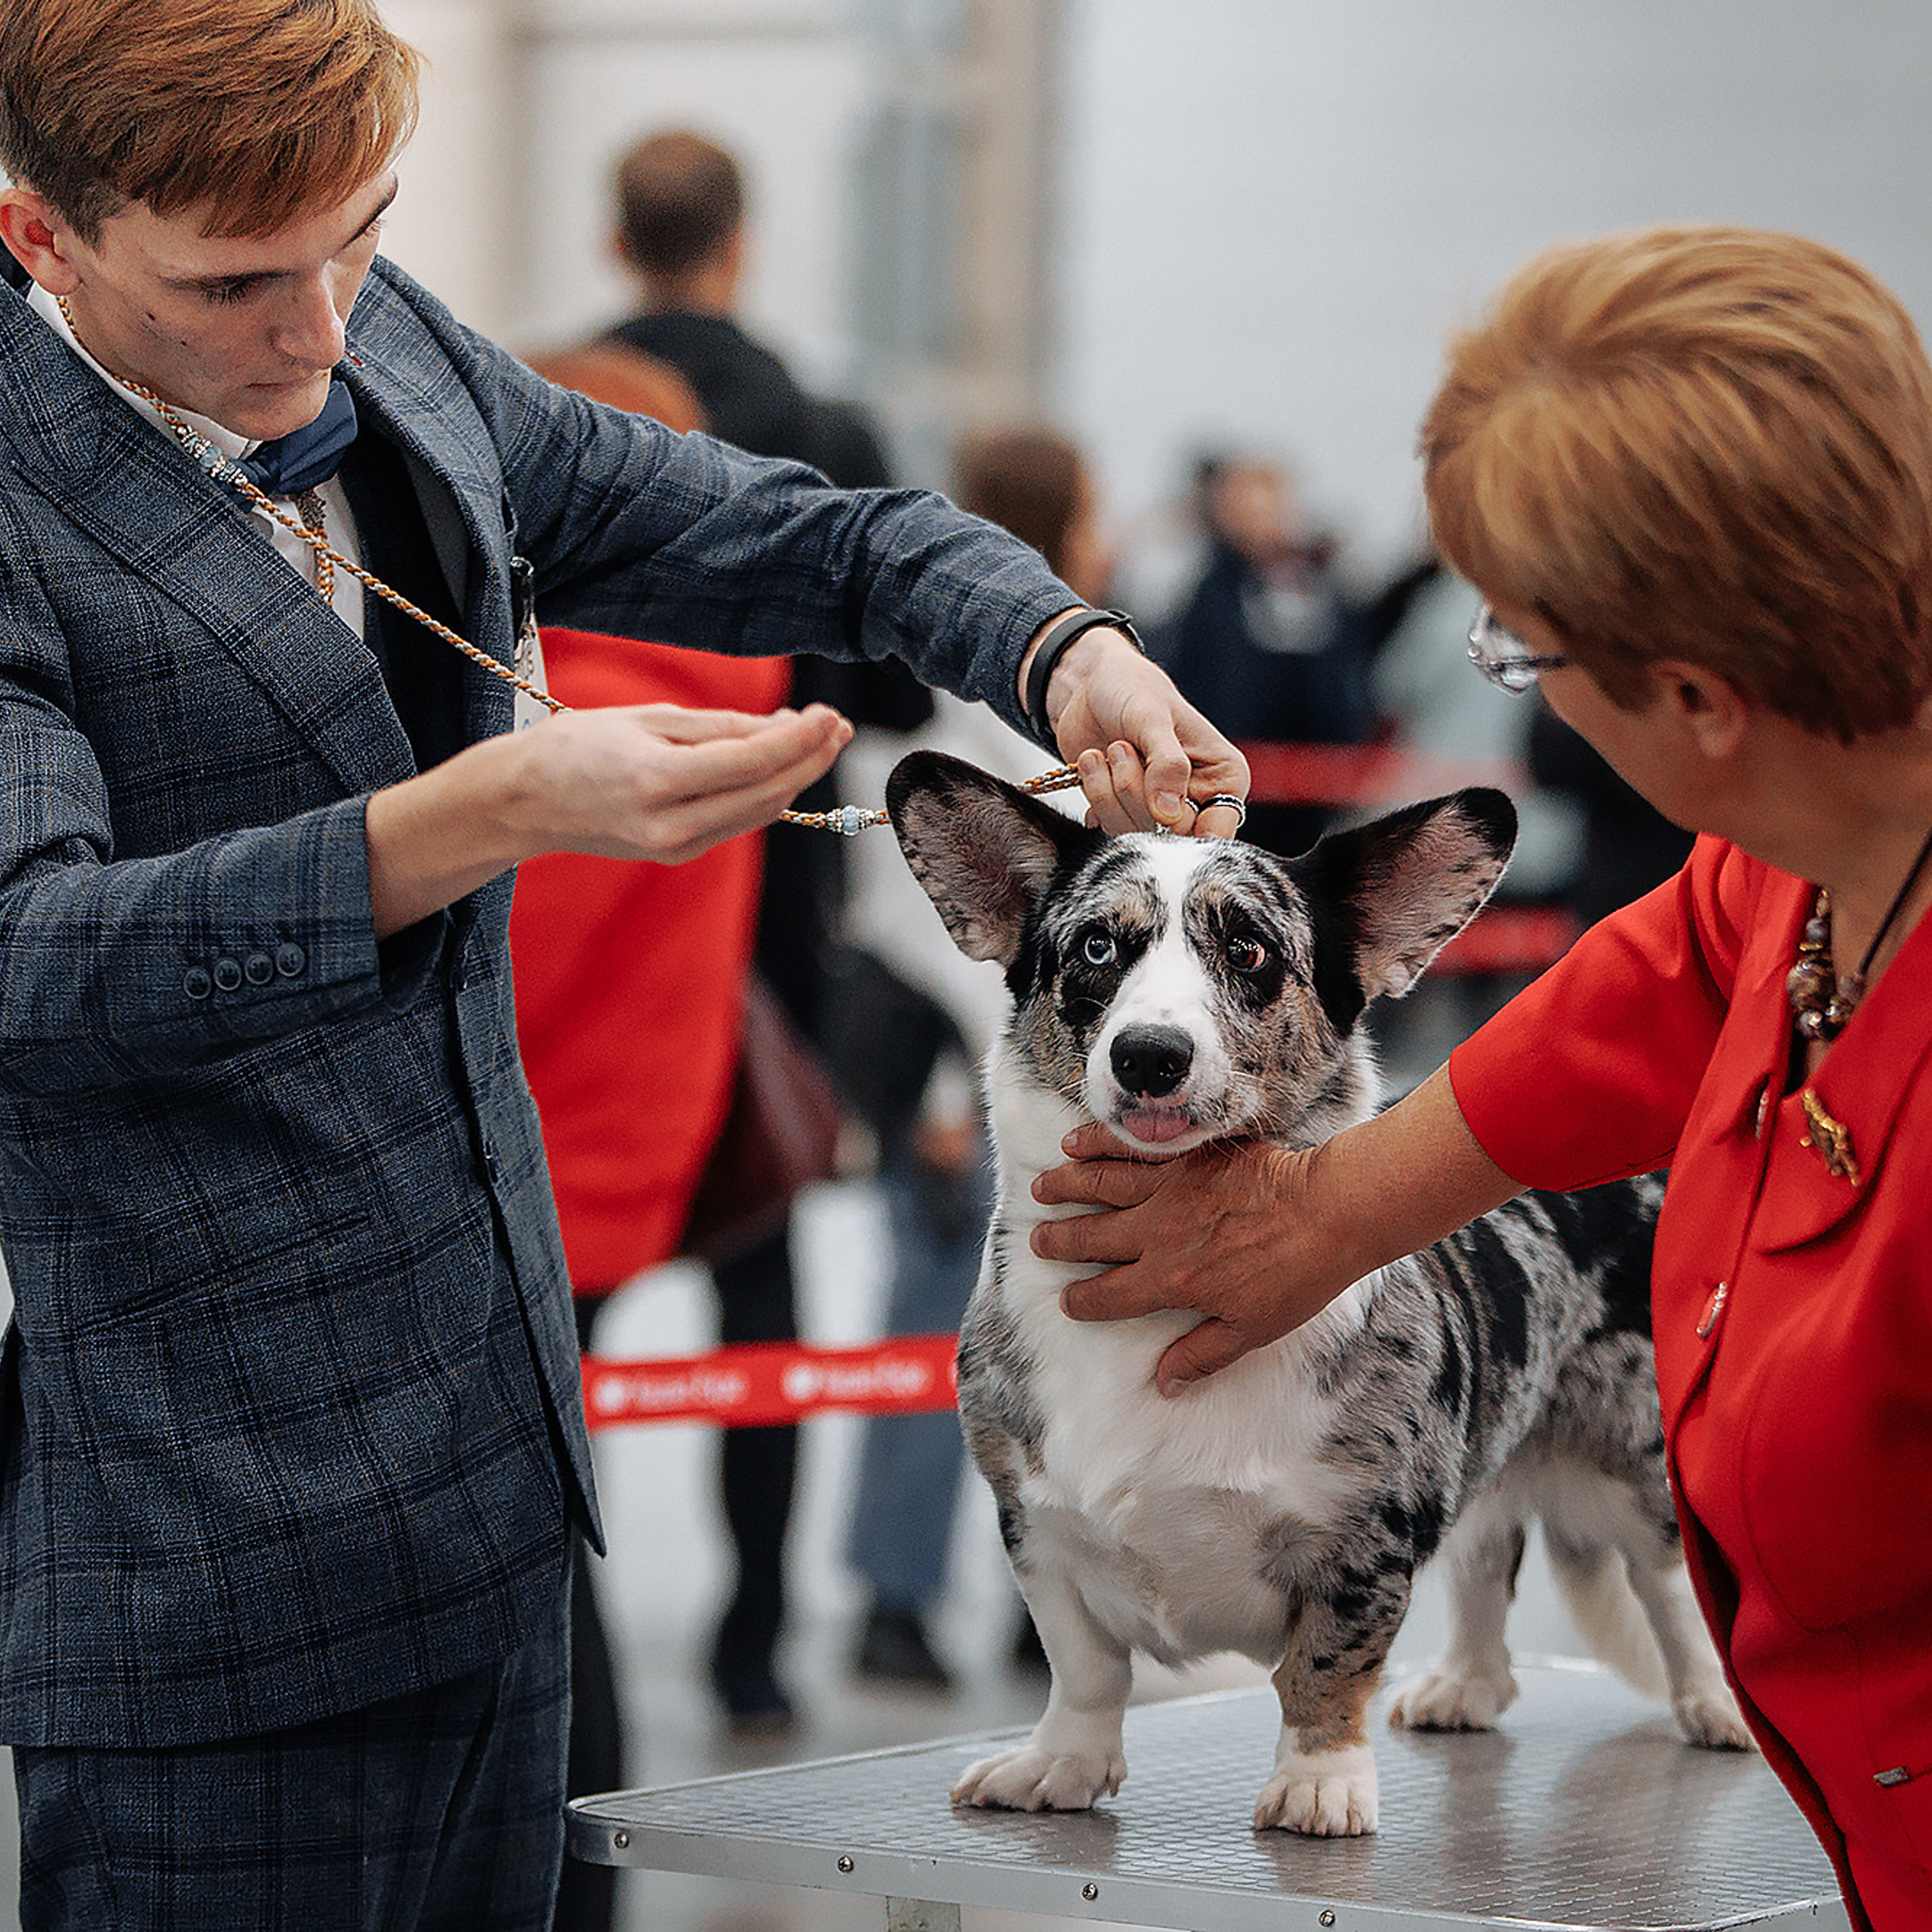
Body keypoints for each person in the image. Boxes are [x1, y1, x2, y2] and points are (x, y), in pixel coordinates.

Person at [0, 4, 1247, 1924]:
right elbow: (38, 957)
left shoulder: (395, 349)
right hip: (201, 1561)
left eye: (360, 235)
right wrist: (478, 813)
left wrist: (1057, 646)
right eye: (235, 279)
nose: (317, 325)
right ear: (42, 240)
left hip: (500, 1511)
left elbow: (802, 536)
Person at [1029, 226, 1932, 1930]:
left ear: (1695, 693)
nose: (1522, 695)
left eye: (1522, 657)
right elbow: (1639, 999)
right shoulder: (1794, 869)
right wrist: (1327, 1205)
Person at [598, 125, 923, 1734]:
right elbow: (877, 686)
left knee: (543, 1291)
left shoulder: (546, 396)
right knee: (762, 1284)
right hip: (759, 927)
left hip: (556, 905)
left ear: (618, 235)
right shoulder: (821, 427)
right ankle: (747, 1639)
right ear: (740, 234)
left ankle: (562, 1626)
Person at [841, 426, 1111, 1690]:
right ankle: (895, 1599)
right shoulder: (941, 696)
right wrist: (956, 1094)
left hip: (1073, 1094)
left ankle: (1047, 1595)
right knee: (929, 1325)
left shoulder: (1076, 696)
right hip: (966, 1085)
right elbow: (926, 920)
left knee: (1063, 1346)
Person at [1151, 452, 1438, 854]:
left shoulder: (1323, 586)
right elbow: (1197, 676)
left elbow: (1358, 652)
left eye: (1270, 508)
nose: (1261, 523)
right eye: (1247, 509)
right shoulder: (1207, 596)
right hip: (1230, 783)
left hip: (1318, 789)